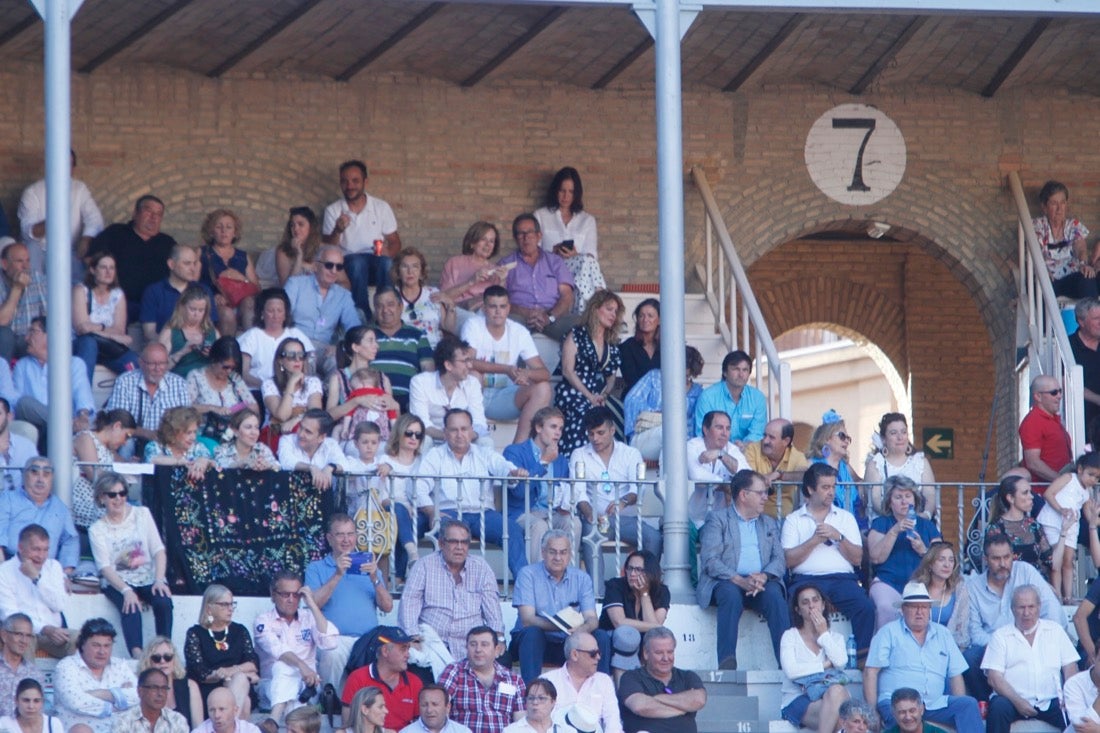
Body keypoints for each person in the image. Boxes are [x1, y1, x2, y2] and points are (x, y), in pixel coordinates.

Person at [415, 408, 529, 577]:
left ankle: (524, 586)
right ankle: (447, 583)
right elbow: (419, 488)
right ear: (445, 433)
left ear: (471, 431)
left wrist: (513, 473)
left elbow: (504, 467)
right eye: (454, 430)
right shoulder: (435, 456)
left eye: (464, 429)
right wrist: (432, 512)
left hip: (483, 514)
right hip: (449, 513)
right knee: (448, 536)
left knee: (511, 529)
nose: (459, 434)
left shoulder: (484, 453)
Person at [781, 463, 875, 662]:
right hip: (806, 580)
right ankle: (799, 658)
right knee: (792, 603)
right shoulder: (793, 519)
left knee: (865, 606)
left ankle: (862, 659)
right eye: (825, 487)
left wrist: (838, 536)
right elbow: (788, 561)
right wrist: (814, 541)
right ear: (810, 489)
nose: (831, 492)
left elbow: (857, 558)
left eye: (833, 487)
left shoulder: (846, 518)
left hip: (843, 580)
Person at [698, 469, 788, 670]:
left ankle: (787, 662)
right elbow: (710, 560)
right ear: (743, 495)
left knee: (775, 596)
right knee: (730, 595)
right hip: (727, 581)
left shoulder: (768, 523)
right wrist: (740, 580)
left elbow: (779, 559)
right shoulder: (718, 519)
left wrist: (763, 576)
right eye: (761, 493)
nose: (765, 497)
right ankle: (727, 661)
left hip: (760, 582)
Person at [863, 581, 981, 731]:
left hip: (933, 704)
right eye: (914, 607)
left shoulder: (943, 634)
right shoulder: (888, 632)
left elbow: (955, 675)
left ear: (929, 609)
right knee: (899, 719)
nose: (920, 611)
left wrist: (959, 700)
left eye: (924, 607)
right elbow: (870, 672)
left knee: (968, 705)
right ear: (903, 609)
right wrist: (872, 712)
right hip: (897, 703)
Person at [963, 532, 1066, 701]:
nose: (1003, 564)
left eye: (1007, 557)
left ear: (1013, 556)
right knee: (970, 657)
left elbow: (1050, 607)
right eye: (996, 559)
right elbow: (975, 632)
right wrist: (1003, 644)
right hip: (994, 645)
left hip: (1032, 638)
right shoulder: (974, 587)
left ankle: (1053, 700)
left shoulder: (1025, 571)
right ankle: (988, 701)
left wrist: (1042, 638)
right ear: (985, 559)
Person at [398, 519, 503, 678]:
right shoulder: (424, 566)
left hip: (470, 646)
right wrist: (413, 638)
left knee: (501, 658)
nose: (460, 547)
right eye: (453, 542)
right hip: (432, 644)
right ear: (441, 543)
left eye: (464, 542)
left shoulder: (481, 568)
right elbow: (409, 605)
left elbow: (493, 612)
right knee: (414, 663)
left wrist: (499, 638)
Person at [89, 471, 173, 658]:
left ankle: (165, 650)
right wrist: (126, 590)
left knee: (163, 602)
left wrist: (159, 579)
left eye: (122, 493)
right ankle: (138, 657)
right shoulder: (97, 530)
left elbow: (158, 550)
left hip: (147, 575)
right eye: (112, 495)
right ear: (102, 498)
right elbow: (105, 567)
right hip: (118, 580)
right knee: (130, 606)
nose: (118, 498)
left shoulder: (142, 514)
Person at [305, 513, 394, 688]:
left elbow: (388, 606)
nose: (346, 540)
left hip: (368, 640)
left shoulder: (368, 567)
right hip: (334, 639)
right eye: (340, 535)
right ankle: (332, 703)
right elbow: (314, 603)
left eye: (350, 534)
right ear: (329, 538)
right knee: (332, 653)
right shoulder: (316, 568)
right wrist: (338, 574)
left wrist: (375, 578)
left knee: (393, 652)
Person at [510, 530, 611, 683]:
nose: (558, 558)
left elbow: (592, 619)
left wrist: (581, 630)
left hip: (568, 642)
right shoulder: (527, 574)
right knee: (532, 633)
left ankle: (600, 690)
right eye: (552, 552)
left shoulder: (582, 578)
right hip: (535, 643)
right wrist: (560, 627)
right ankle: (531, 692)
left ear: (570, 554)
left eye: (563, 552)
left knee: (600, 636)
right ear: (543, 553)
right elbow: (527, 620)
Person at [980, 584, 1080, 733]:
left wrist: (1070, 697)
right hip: (1012, 701)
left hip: (1051, 701)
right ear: (1012, 609)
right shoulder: (1000, 636)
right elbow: (994, 678)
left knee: (1078, 715)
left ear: (1039, 607)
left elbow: (1070, 667)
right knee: (999, 707)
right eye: (1021, 607)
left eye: (1031, 606)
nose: (1026, 612)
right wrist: (1018, 702)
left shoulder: (1055, 631)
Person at [463, 286, 552, 444]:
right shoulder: (474, 325)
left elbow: (544, 372)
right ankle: (473, 440)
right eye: (493, 306)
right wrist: (506, 369)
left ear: (509, 308)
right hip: (475, 396)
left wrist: (527, 374)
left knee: (543, 387)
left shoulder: (518, 331)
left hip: (503, 398)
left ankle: (517, 450)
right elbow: (467, 362)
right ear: (484, 308)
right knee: (474, 375)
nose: (498, 311)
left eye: (503, 306)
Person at [253, 571, 337, 724]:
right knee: (282, 666)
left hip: (306, 687)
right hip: (271, 687)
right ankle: (289, 715)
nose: (291, 600)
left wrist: (312, 604)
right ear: (273, 594)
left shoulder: (308, 617)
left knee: (293, 695)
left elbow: (330, 643)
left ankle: (273, 720)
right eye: (285, 594)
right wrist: (301, 665)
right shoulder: (262, 621)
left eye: (296, 595)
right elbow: (277, 650)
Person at [322, 160, 402, 317]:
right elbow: (327, 248)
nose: (349, 185)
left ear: (365, 182)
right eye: (345, 181)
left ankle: (389, 311)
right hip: (350, 264)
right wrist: (337, 230)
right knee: (358, 263)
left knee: (386, 263)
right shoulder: (333, 210)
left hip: (376, 261)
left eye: (355, 181)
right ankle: (362, 314)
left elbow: (395, 242)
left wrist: (388, 253)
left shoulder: (380, 207)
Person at [503, 406, 577, 563]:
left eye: (561, 428)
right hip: (522, 512)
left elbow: (562, 491)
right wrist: (543, 462)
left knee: (573, 522)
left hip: (551, 512)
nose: (558, 432)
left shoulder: (561, 460)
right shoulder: (514, 452)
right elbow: (519, 492)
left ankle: (568, 578)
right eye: (553, 427)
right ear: (538, 427)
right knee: (539, 526)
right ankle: (536, 580)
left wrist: (565, 504)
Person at [554, 289, 623, 454]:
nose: (613, 314)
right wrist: (589, 396)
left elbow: (611, 378)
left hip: (599, 395)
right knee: (586, 413)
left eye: (615, 311)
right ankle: (576, 461)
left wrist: (603, 395)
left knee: (619, 412)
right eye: (608, 309)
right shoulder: (576, 334)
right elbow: (567, 371)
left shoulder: (611, 343)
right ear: (595, 308)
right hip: (573, 391)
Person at [866, 476, 940, 629]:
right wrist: (894, 531)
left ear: (915, 499)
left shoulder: (927, 526)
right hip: (887, 583)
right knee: (886, 607)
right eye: (898, 497)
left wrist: (923, 551)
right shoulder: (881, 523)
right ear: (889, 502)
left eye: (908, 496)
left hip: (920, 584)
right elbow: (875, 557)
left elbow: (941, 560)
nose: (904, 501)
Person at [88, 194, 176, 321]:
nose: (153, 218)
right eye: (148, 211)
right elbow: (91, 260)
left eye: (158, 214)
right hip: (118, 303)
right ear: (135, 213)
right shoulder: (115, 233)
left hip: (156, 308)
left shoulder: (167, 243)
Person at [18, 148, 103, 278]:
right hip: (40, 250)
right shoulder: (33, 192)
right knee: (31, 248)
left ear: (73, 168)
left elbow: (95, 220)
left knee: (79, 281)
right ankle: (35, 293)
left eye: (69, 164)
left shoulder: (79, 188)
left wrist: (86, 239)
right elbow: (27, 232)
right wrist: (52, 221)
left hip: (68, 250)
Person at [13, 317, 96, 449]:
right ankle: (63, 424)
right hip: (37, 428)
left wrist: (83, 416)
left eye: (32, 332)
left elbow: (83, 395)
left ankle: (60, 425)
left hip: (65, 432)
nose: (26, 338)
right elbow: (18, 405)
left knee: (54, 427)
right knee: (24, 402)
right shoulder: (22, 366)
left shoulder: (74, 364)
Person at [778, 584, 851, 733]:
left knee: (837, 692)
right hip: (798, 699)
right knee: (841, 718)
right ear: (798, 610)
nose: (811, 606)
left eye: (815, 600)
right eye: (805, 602)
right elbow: (792, 671)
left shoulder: (835, 637)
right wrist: (824, 665)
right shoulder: (790, 636)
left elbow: (841, 663)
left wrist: (823, 634)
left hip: (829, 698)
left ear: (823, 605)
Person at [532, 168, 606, 313]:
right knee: (586, 264)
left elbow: (591, 256)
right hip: (551, 268)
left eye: (571, 192)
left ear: (576, 194)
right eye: (562, 191)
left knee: (586, 262)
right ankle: (601, 306)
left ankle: (597, 306)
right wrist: (552, 252)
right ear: (555, 191)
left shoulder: (587, 220)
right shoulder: (541, 215)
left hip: (579, 270)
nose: (566, 196)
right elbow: (532, 252)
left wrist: (575, 256)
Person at [284, 246, 362, 376]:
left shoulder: (343, 295)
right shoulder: (296, 284)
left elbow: (355, 330)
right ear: (315, 266)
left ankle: (332, 395)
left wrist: (340, 347)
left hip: (324, 347)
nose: (333, 270)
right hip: (297, 343)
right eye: (329, 265)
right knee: (307, 361)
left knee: (336, 361)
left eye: (339, 267)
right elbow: (282, 315)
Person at [184, 584, 260, 718]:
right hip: (209, 688)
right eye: (224, 605)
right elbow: (198, 671)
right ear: (209, 608)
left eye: (232, 604)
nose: (230, 609)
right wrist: (220, 675)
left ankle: (226, 725)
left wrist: (230, 671)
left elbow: (252, 663)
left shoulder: (239, 631)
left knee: (242, 684)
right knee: (244, 699)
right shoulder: (196, 633)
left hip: (237, 685)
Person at [0, 524, 75, 658]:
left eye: (45, 550)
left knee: (85, 641)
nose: (41, 556)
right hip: (23, 633)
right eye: (36, 549)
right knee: (19, 641)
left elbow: (59, 605)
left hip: (54, 634)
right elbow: (10, 616)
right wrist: (44, 629)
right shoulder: (4, 571)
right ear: (21, 548)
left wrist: (37, 578)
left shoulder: (54, 567)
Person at [54, 618, 139, 733]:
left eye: (107, 646)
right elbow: (76, 702)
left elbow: (139, 695)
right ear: (82, 644)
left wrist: (101, 693)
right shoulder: (66, 667)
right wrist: (117, 701)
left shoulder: (120, 665)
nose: (102, 651)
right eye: (96, 645)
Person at [622, 346, 704, 462]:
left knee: (681, 440)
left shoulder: (697, 392)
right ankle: (670, 478)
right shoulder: (654, 377)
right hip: (646, 437)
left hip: (683, 441)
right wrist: (659, 413)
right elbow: (631, 401)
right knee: (670, 432)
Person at [439, 626, 526, 733]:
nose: (478, 650)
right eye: (473, 644)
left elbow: (520, 724)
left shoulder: (514, 680)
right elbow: (438, 709)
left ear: (496, 649)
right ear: (466, 648)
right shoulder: (454, 672)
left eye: (484, 644)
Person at [617, 627, 705, 733]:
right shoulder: (631, 677)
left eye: (670, 652)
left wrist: (656, 699)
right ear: (645, 653)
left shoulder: (688, 676)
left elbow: (698, 700)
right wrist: (683, 708)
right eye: (659, 653)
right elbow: (641, 706)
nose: (666, 658)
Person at [105, 342, 191, 451]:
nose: (157, 368)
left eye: (162, 364)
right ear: (141, 363)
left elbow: (186, 422)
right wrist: (146, 433)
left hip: (167, 442)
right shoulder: (125, 381)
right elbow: (117, 422)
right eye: (152, 364)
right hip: (131, 440)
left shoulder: (179, 384)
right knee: (126, 443)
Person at [1038, 451, 1100, 601]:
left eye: (1097, 477)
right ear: (1079, 469)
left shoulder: (1088, 492)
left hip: (1072, 526)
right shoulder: (1068, 478)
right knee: (1056, 560)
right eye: (1091, 474)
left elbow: (1087, 513)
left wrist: (1095, 517)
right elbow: (1048, 493)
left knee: (1069, 560)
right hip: (1053, 522)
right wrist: (1061, 509)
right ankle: (1057, 595)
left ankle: (1068, 596)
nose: (1093, 480)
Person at [409, 338, 492, 449]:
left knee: (485, 442)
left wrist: (462, 437)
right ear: (448, 365)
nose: (470, 366)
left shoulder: (472, 383)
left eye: (469, 361)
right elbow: (420, 423)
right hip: (434, 439)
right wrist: (447, 436)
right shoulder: (420, 382)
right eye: (464, 361)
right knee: (425, 441)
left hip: (464, 440)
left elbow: (479, 423)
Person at [72, 251, 139, 382]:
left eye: (112, 268)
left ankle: (112, 403)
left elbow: (119, 330)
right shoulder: (81, 290)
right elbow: (82, 329)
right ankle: (83, 400)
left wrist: (95, 329)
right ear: (92, 270)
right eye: (103, 267)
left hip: (107, 348)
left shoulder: (117, 294)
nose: (108, 272)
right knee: (89, 342)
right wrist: (109, 332)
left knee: (135, 366)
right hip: (81, 346)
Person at [0, 457, 79, 569]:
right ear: (24, 474)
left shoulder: (60, 507)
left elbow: (70, 540)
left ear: (52, 478)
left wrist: (65, 574)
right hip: (11, 565)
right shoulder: (7, 499)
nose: (40, 479)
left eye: (46, 474)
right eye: (34, 472)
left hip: (47, 569)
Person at [539, 630, 621, 733]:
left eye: (599, 653)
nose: (598, 657)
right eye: (593, 654)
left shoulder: (604, 681)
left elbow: (613, 723)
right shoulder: (547, 681)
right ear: (574, 655)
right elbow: (539, 723)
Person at [377, 413, 428, 580]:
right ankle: (411, 557)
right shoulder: (385, 460)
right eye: (409, 433)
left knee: (406, 523)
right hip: (391, 509)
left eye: (418, 435)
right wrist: (406, 509)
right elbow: (381, 497)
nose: (413, 438)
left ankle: (398, 577)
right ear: (399, 433)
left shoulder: (424, 462)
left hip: (417, 513)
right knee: (399, 513)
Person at [341, 627, 422, 731]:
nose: (408, 654)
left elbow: (419, 725)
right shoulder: (358, 678)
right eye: (403, 649)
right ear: (385, 651)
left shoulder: (415, 682)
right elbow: (348, 724)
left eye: (408, 649)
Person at [326, 326, 398, 442]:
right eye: (370, 341)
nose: (376, 346)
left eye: (375, 341)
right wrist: (357, 401)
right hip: (350, 438)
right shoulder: (338, 377)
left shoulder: (382, 378)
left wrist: (393, 404)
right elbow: (329, 416)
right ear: (355, 347)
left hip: (380, 439)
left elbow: (395, 413)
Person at [198, 208, 260, 336]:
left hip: (239, 304)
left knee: (250, 305)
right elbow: (192, 283)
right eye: (219, 227)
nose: (224, 231)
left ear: (235, 232)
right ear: (211, 231)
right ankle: (227, 352)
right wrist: (210, 297)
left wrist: (242, 278)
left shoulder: (243, 256)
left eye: (228, 227)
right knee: (227, 313)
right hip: (213, 305)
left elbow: (257, 289)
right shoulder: (201, 253)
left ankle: (252, 347)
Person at [371, 287, 434, 412]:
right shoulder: (367, 334)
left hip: (408, 399)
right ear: (375, 309)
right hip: (373, 398)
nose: (385, 310)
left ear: (400, 307)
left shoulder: (417, 335)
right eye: (380, 306)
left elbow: (429, 371)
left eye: (390, 305)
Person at [238, 288, 314, 390]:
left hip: (293, 391)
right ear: (261, 313)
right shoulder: (252, 336)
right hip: (258, 391)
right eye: (270, 311)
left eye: (279, 311)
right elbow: (244, 374)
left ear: (285, 314)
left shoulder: (296, 334)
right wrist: (268, 388)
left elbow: (311, 359)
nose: (276, 315)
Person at [1032, 180, 1097, 299]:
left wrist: (1083, 264)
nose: (1059, 208)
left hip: (1070, 278)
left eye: (1062, 203)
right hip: (1048, 280)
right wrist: (1042, 271)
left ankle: (1091, 315)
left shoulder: (1073, 225)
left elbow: (1080, 247)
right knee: (1041, 288)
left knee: (1088, 279)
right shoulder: (1038, 226)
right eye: (1054, 203)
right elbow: (1036, 252)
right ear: (1044, 207)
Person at [139, 243, 217, 342]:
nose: (193, 268)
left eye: (194, 263)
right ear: (171, 264)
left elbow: (210, 328)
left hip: (198, 349)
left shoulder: (204, 291)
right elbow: (149, 333)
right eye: (187, 263)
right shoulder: (153, 291)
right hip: (165, 349)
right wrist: (170, 346)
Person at [863, 413, 936, 517]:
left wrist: (926, 515)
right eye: (893, 433)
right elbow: (875, 499)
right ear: (884, 438)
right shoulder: (876, 463)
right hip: (885, 523)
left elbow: (930, 495)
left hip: (917, 521)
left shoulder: (920, 461)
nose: (900, 437)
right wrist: (897, 517)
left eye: (903, 432)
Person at [72, 409, 135, 528]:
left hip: (102, 501)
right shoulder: (86, 438)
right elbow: (94, 474)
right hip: (84, 499)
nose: (125, 443)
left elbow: (125, 465)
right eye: (126, 436)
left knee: (138, 512)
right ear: (117, 426)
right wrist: (121, 479)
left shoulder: (108, 449)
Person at [188, 336, 259, 442]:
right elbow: (185, 408)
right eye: (225, 367)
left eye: (233, 368)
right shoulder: (196, 377)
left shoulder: (235, 379)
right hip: (203, 437)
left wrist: (238, 413)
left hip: (232, 436)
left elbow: (253, 407)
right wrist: (211, 408)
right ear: (214, 360)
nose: (229, 371)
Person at [984, 474, 1056, 579]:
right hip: (1009, 585)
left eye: (1030, 492)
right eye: (1025, 493)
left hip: (1036, 583)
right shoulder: (996, 528)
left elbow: (1050, 561)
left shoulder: (1033, 525)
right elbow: (995, 566)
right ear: (1010, 498)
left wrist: (1064, 531)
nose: (1031, 496)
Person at [691, 350, 767, 444]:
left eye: (745, 370)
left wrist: (743, 446)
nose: (741, 374)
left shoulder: (757, 398)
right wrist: (728, 450)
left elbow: (757, 433)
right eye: (736, 369)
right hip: (714, 451)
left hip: (747, 451)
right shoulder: (708, 397)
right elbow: (702, 432)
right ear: (725, 372)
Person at [741, 418, 810, 518]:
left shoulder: (796, 456)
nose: (765, 441)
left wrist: (780, 475)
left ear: (786, 441)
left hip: (783, 518)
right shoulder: (753, 449)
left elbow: (805, 475)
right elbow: (746, 478)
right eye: (764, 435)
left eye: (771, 437)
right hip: (753, 517)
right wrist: (765, 478)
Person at [437, 222, 508, 319]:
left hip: (487, 316)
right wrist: (471, 281)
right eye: (483, 239)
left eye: (491, 241)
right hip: (458, 313)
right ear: (472, 242)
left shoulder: (495, 270)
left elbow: (499, 304)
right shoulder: (454, 263)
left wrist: (502, 281)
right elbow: (443, 297)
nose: (488, 245)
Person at [807, 410, 865, 528]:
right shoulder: (811, 464)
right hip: (825, 524)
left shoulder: (845, 465)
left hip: (852, 523)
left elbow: (860, 482)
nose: (846, 441)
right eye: (842, 436)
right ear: (827, 438)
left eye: (848, 438)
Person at [909, 541, 970, 648]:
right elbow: (906, 622)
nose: (947, 565)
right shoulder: (915, 587)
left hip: (950, 648)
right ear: (930, 564)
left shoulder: (960, 589)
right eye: (941, 560)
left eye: (951, 560)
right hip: (918, 647)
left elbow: (962, 630)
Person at [392, 248, 454, 348]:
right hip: (406, 349)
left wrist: (450, 305)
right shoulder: (392, 296)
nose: (410, 271)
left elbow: (448, 328)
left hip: (434, 348)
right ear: (398, 272)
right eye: (404, 266)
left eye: (415, 267)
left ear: (421, 272)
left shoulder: (433, 294)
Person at [265, 337, 323, 443]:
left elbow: (315, 414)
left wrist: (296, 419)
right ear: (280, 361)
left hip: (304, 433)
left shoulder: (313, 382)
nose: (297, 360)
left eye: (301, 355)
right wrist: (291, 383)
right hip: (276, 434)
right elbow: (282, 416)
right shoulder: (269, 384)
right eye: (291, 356)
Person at [1019, 374, 1073, 486]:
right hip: (1045, 493)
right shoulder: (1033, 421)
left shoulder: (1053, 420)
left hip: (1060, 491)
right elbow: (1033, 463)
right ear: (1038, 396)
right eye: (1054, 392)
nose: (1059, 396)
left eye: (1060, 391)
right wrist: (1062, 481)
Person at [139, 636, 202, 728]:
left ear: (174, 660)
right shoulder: (143, 688)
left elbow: (198, 727)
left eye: (167, 657)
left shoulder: (190, 686)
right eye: (156, 658)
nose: (162, 661)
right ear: (148, 662)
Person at [277, 408, 349, 489]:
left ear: (321, 437)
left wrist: (330, 468)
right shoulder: (287, 440)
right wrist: (312, 468)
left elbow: (345, 464)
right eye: (300, 427)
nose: (301, 434)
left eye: (308, 432)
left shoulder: (330, 444)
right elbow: (287, 462)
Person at [0, 241, 47, 360]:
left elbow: (49, 316)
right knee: (5, 334)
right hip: (3, 342)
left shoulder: (36, 278)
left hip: (27, 340)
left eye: (28, 260)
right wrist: (17, 288)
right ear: (4, 264)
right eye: (20, 261)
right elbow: (1, 321)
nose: (25, 266)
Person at [143, 406, 216, 481]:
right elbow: (152, 460)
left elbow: (211, 461)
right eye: (188, 433)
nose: (193, 437)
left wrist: (203, 461)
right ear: (173, 432)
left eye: (195, 432)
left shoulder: (198, 447)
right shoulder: (155, 446)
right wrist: (180, 461)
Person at [159, 285, 218, 377]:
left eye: (201, 310)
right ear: (182, 307)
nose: (196, 314)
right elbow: (158, 368)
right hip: (181, 381)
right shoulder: (170, 331)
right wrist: (182, 352)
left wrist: (213, 356)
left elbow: (225, 364)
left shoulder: (212, 331)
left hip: (208, 381)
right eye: (192, 309)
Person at [112, 667, 190, 733]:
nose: (160, 694)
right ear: (140, 691)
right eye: (154, 688)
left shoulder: (177, 720)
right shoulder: (124, 722)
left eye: (164, 688)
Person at [686, 410, 749, 487]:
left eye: (728, 429)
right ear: (705, 429)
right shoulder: (691, 447)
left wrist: (720, 454)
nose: (724, 433)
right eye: (719, 428)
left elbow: (748, 477)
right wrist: (724, 485)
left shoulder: (732, 448)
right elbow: (696, 475)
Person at [0, 614, 44, 718]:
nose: (24, 641)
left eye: (28, 636)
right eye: (19, 634)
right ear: (4, 635)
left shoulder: (35, 674)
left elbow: (38, 713)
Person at [618, 298, 659, 399]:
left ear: (659, 320)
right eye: (641, 316)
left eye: (650, 316)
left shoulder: (667, 348)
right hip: (635, 400)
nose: (645, 320)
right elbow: (631, 380)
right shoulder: (627, 347)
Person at [214, 409, 278, 470]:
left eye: (256, 427)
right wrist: (242, 463)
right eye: (248, 427)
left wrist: (268, 466)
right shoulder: (222, 450)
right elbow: (219, 469)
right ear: (235, 431)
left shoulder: (262, 449)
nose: (254, 432)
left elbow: (279, 468)